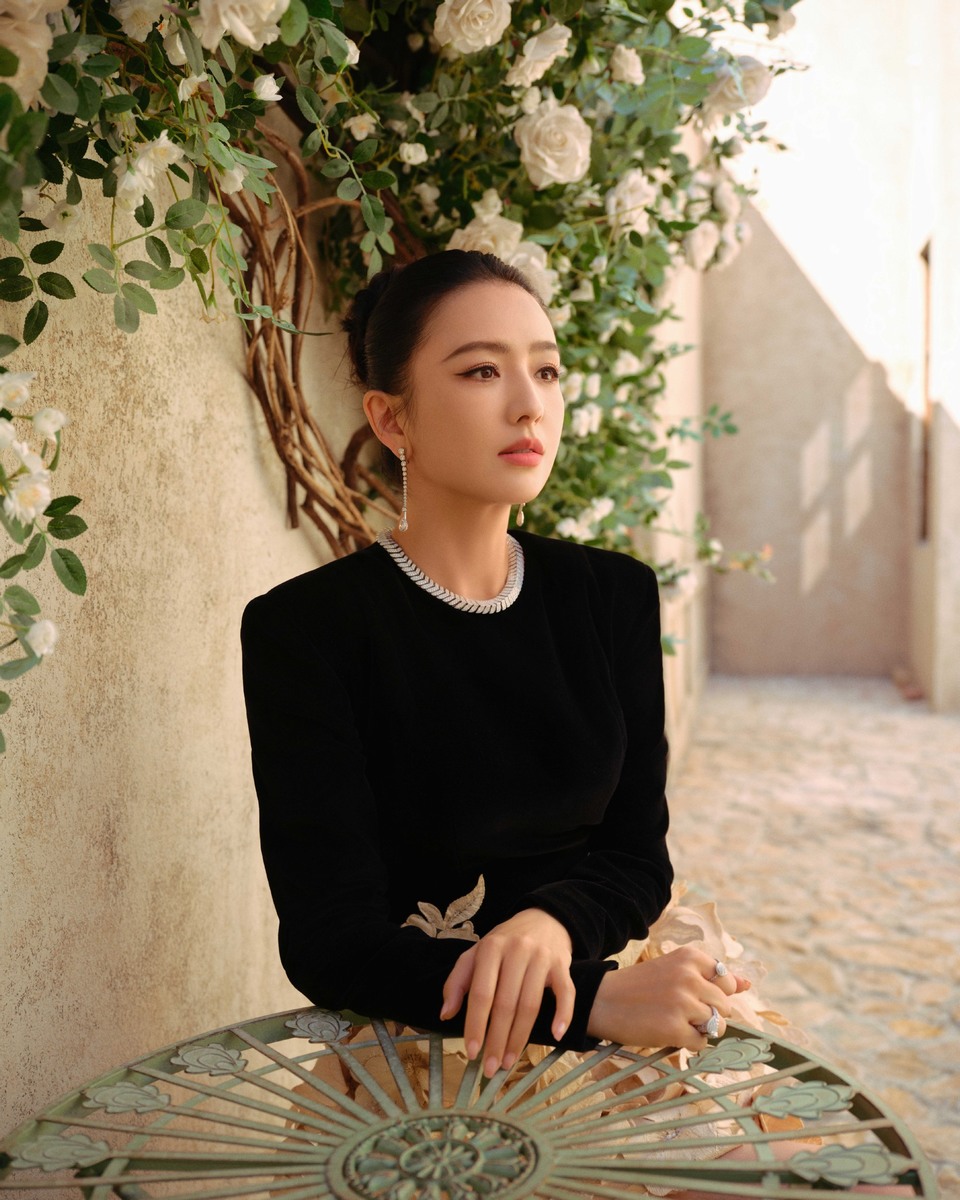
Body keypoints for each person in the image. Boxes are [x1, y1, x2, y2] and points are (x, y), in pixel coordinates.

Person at [240, 249, 749, 1082]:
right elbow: (331, 941)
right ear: (392, 420)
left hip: (625, 1019)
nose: (529, 405)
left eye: (546, 372)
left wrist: (551, 926)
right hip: (421, 1050)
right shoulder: (306, 629)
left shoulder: (610, 595)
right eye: (482, 371)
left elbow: (637, 860)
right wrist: (588, 1002)